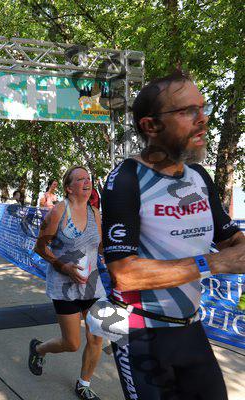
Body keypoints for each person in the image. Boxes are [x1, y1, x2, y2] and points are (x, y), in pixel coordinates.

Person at [101, 70, 244, 399]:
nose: (202, 119)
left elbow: (229, 238)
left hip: (190, 327)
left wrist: (238, 250)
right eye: (188, 111)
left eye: (203, 108)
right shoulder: (127, 178)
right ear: (151, 126)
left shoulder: (198, 176)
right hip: (140, 332)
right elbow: (124, 274)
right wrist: (215, 263)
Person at [29, 166, 106, 400]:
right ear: (69, 188)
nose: (87, 181)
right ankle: (38, 349)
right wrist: (63, 267)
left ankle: (83, 384)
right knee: (72, 343)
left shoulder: (95, 213)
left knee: (97, 336)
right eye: (80, 179)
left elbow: (100, 247)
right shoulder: (58, 213)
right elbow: (40, 247)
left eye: (88, 178)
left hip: (92, 284)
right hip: (64, 287)